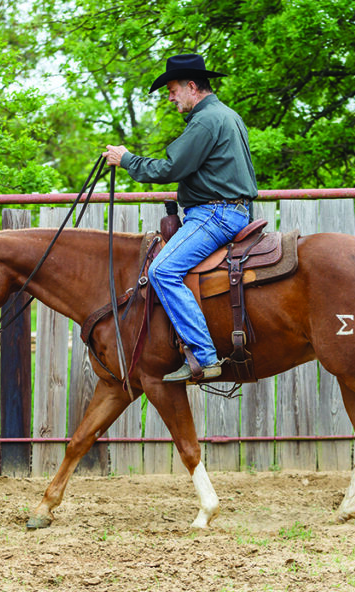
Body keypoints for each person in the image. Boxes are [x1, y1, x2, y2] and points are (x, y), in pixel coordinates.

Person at [103, 53, 258, 382]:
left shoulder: (206, 120)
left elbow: (170, 169)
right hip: (232, 210)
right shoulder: (227, 115)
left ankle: (204, 356)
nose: (170, 98)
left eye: (172, 90)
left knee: (162, 270)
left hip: (216, 214)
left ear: (191, 87)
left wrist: (126, 158)